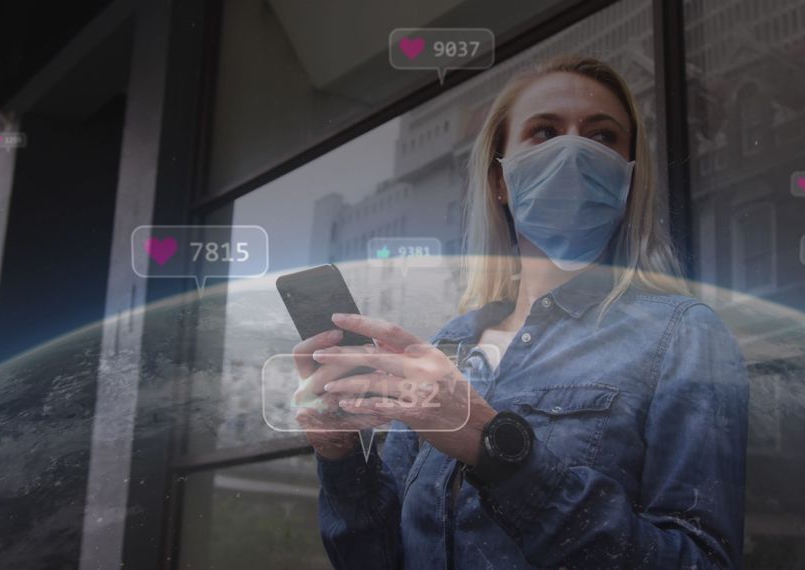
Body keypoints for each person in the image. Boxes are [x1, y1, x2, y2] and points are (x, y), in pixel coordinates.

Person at [293, 54, 749, 569]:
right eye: (544, 131)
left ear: (627, 178)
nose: (572, 151)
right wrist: (341, 456)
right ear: (499, 181)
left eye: (601, 137)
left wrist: (498, 451)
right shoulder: (448, 346)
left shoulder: (682, 336)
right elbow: (375, 560)